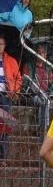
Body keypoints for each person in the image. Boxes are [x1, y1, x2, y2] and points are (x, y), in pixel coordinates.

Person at [0, 35, 22, 167]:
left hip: (5, 96)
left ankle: (2, 157)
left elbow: (19, 79)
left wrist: (13, 90)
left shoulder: (11, 61)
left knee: (4, 128)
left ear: (5, 46)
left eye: (1, 44)